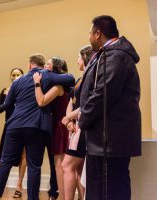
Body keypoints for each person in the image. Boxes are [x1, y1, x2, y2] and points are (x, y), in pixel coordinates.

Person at [0, 54, 74, 200]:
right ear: (43, 65)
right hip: (36, 126)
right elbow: (70, 78)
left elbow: (8, 104)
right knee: (34, 165)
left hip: (14, 125)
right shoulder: (47, 75)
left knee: (5, 162)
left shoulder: (17, 82)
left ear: (29, 65)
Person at [79, 15, 141, 200]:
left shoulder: (116, 55)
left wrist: (83, 120)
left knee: (108, 191)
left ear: (98, 34)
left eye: (90, 33)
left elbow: (103, 94)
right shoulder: (110, 54)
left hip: (108, 140)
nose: (89, 38)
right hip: (104, 138)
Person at [33, 57, 69, 200]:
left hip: (60, 127)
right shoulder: (57, 84)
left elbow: (41, 101)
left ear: (55, 69)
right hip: (57, 126)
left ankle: (63, 197)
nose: (45, 67)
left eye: (48, 64)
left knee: (59, 165)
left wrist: (36, 83)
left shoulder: (58, 87)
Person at [61, 45, 93, 200]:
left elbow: (87, 105)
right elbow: (71, 102)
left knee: (67, 165)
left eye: (79, 57)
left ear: (86, 57)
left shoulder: (91, 77)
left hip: (83, 128)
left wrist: (68, 118)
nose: (76, 60)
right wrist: (69, 120)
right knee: (79, 168)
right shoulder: (80, 79)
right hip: (75, 128)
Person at [0, 67, 26, 198]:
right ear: (10, 76)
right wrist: (8, 98)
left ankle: (19, 187)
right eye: (13, 75)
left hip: (23, 125)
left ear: (23, 76)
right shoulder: (5, 91)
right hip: (9, 126)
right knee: (2, 157)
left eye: (18, 75)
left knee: (23, 156)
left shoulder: (26, 90)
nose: (15, 77)